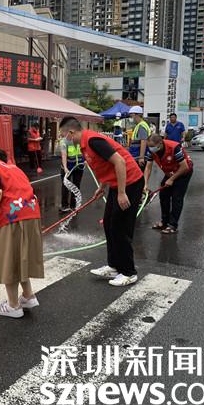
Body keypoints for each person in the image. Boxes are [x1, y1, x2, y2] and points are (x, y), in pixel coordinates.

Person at [59, 116, 144, 287]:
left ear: (71, 132)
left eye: (62, 135)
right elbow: (105, 165)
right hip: (116, 184)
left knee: (120, 228)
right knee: (109, 224)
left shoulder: (93, 141)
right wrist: (102, 186)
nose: (63, 139)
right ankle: (114, 266)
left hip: (130, 183)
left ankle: (129, 272)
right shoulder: (84, 144)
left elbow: (119, 161)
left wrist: (121, 193)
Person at [0, 138, 44, 318]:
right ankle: (28, 296)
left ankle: (13, 305)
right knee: (20, 257)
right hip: (31, 213)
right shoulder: (11, 166)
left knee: (9, 260)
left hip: (14, 217)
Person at [144, 134, 193, 234]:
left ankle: (173, 225)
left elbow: (184, 167)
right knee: (164, 195)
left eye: (152, 146)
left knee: (176, 198)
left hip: (183, 172)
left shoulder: (174, 148)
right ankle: (164, 222)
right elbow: (148, 167)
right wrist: (145, 184)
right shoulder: (151, 151)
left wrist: (171, 179)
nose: (150, 148)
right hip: (170, 172)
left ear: (160, 143)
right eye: (149, 146)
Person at [59, 135, 85, 213]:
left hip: (79, 167)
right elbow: (64, 155)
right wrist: (65, 167)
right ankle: (65, 206)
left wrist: (86, 160)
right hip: (68, 168)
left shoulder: (80, 140)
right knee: (66, 186)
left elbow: (84, 151)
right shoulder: (64, 141)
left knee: (76, 186)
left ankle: (73, 206)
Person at [128, 105, 151, 169]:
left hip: (138, 156)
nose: (131, 118)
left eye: (131, 115)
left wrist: (141, 157)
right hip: (136, 154)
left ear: (136, 115)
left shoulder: (141, 126)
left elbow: (143, 140)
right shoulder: (139, 125)